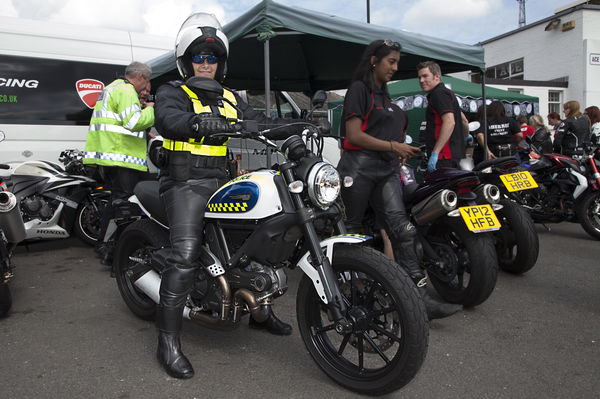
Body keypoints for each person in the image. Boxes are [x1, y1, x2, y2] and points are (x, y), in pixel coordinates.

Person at [151, 13, 310, 379]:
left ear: (220, 63)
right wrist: (194, 122)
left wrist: (298, 127)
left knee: (254, 240)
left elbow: (262, 122)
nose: (205, 64)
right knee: (185, 256)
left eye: (212, 58)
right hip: (184, 182)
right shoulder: (173, 92)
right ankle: (168, 341)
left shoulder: (230, 97)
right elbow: (167, 119)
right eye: (199, 57)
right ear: (186, 60)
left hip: (221, 181)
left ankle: (260, 309)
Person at [337, 40, 461, 321]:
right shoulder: (358, 90)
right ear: (374, 61)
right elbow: (353, 136)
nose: (395, 67)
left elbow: (385, 135)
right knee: (351, 232)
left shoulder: (385, 97)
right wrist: (394, 147)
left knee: (403, 230)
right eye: (390, 61)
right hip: (357, 169)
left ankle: (419, 298)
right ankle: (344, 293)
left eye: (396, 62)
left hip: (386, 169)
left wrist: (400, 151)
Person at [83, 62, 155, 264]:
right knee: (123, 206)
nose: (146, 89)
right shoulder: (126, 89)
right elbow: (132, 122)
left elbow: (118, 122)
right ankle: (111, 248)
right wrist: (150, 110)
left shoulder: (111, 88)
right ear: (141, 76)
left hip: (111, 156)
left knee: (117, 203)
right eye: (147, 83)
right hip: (121, 157)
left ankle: (108, 246)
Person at [416, 61, 469, 172]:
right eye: (419, 77)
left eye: (425, 76)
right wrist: (464, 137)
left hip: (443, 157)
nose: (421, 80)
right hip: (455, 155)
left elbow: (450, 122)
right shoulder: (448, 92)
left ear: (437, 76)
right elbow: (464, 121)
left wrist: (435, 153)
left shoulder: (438, 94)